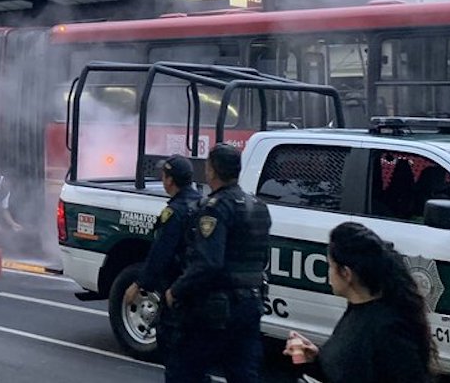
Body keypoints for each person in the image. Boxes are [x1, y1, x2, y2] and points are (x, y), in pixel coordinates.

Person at [165, 143, 271, 383]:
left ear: (211, 171)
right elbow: (262, 258)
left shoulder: (214, 209)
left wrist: (176, 290)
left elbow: (208, 264)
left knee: (184, 371)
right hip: (251, 303)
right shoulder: (259, 207)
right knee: (243, 374)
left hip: (216, 308)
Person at [283, 222, 436, 383]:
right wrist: (316, 359)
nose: (328, 274)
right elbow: (347, 369)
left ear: (346, 273)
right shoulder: (357, 309)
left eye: (330, 266)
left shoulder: (387, 329)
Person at [121, 155, 201, 377]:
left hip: (176, 292)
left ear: (169, 180)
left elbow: (161, 254)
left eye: (163, 176)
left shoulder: (174, 212)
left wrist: (138, 285)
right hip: (199, 292)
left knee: (176, 358)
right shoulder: (203, 204)